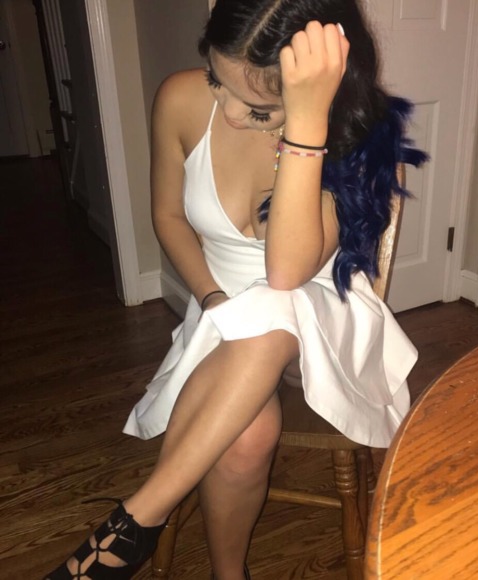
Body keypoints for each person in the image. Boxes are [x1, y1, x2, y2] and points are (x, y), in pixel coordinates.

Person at [45, 0, 426, 578]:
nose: (225, 110)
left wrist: (306, 124)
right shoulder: (179, 99)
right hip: (220, 314)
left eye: (256, 107)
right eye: (215, 80)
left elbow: (287, 275)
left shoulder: (350, 135)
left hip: (325, 319)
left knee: (276, 304)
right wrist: (212, 299)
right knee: (248, 436)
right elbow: (169, 217)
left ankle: (138, 519)